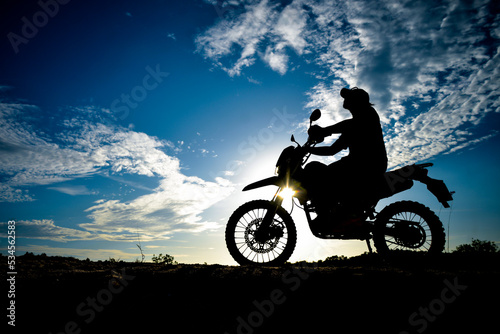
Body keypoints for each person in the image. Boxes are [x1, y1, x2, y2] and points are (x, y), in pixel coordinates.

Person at [301, 87, 388, 229]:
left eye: (349, 97)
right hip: (358, 163)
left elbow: (347, 125)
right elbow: (332, 150)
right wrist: (308, 148)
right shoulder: (356, 125)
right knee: (319, 170)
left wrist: (324, 130)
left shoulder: (367, 115)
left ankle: (326, 215)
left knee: (319, 172)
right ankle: (334, 212)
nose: (345, 99)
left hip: (368, 164)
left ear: (357, 101)